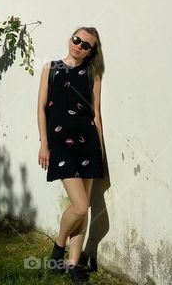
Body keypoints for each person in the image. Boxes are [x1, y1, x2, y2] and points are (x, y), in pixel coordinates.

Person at [37, 26, 106, 283]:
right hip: (60, 143)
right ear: (70, 39)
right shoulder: (51, 68)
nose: (79, 45)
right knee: (79, 205)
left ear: (91, 52)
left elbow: (96, 114)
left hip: (87, 143)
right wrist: (44, 143)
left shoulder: (93, 74)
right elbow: (41, 109)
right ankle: (58, 246)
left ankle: (73, 264)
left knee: (84, 209)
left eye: (86, 45)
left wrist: (100, 148)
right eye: (77, 40)